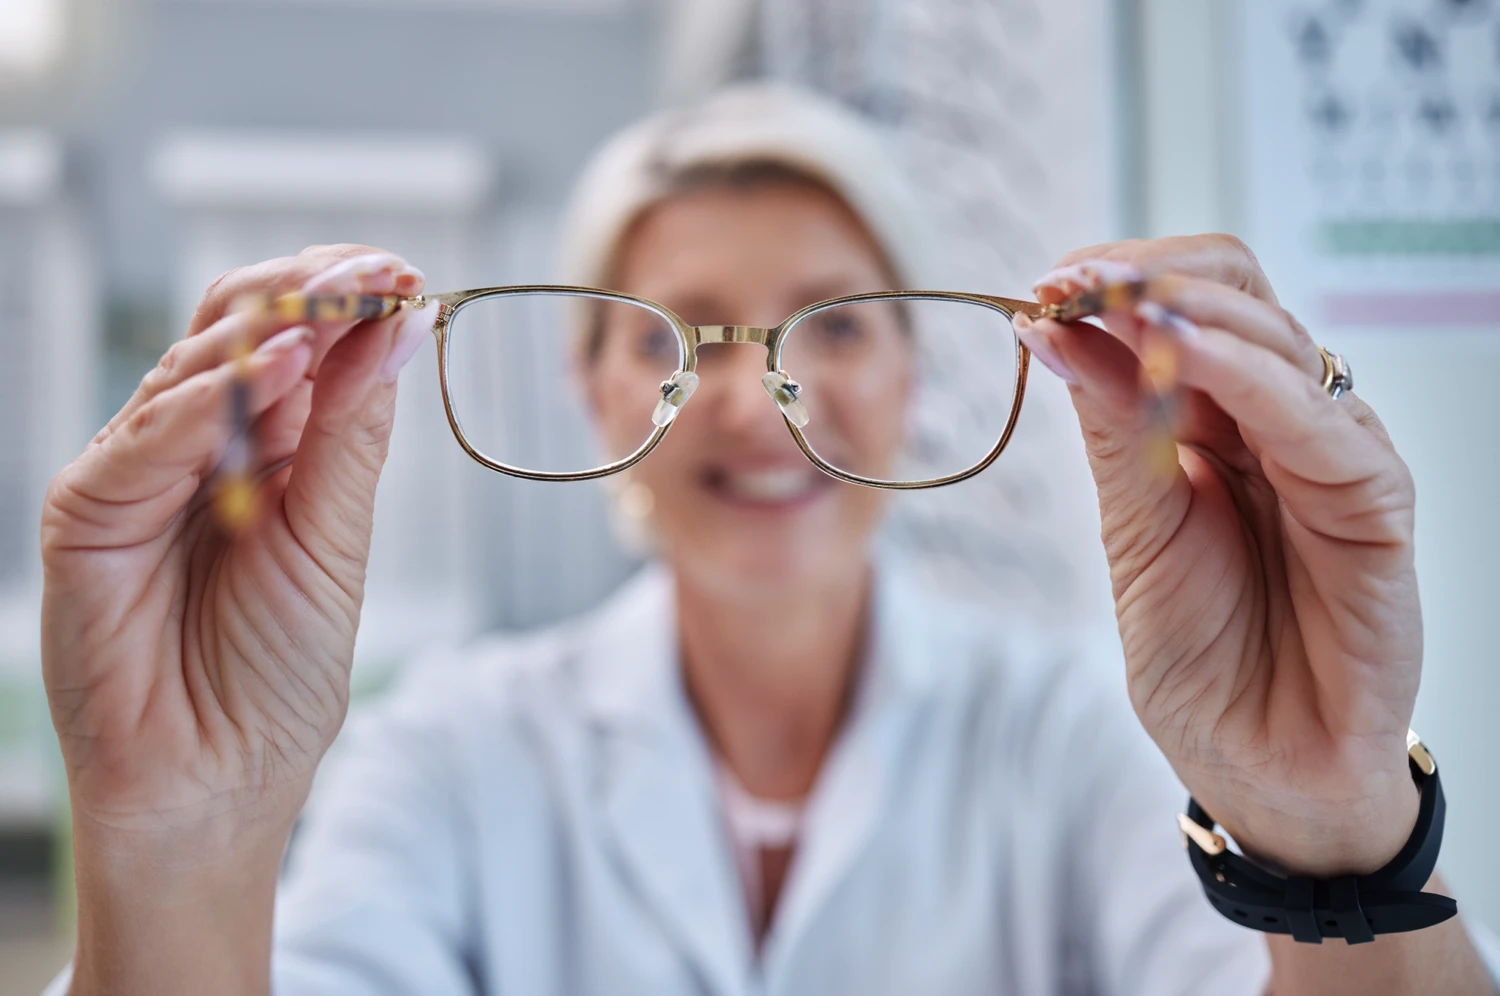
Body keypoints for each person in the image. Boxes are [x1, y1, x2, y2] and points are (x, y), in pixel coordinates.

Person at [38, 84, 1499, 995]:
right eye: (670, 337)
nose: (751, 398)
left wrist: (1326, 837)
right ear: (593, 386)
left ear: (923, 377)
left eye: (838, 323)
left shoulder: (1074, 735)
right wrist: (177, 852)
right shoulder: (453, 751)